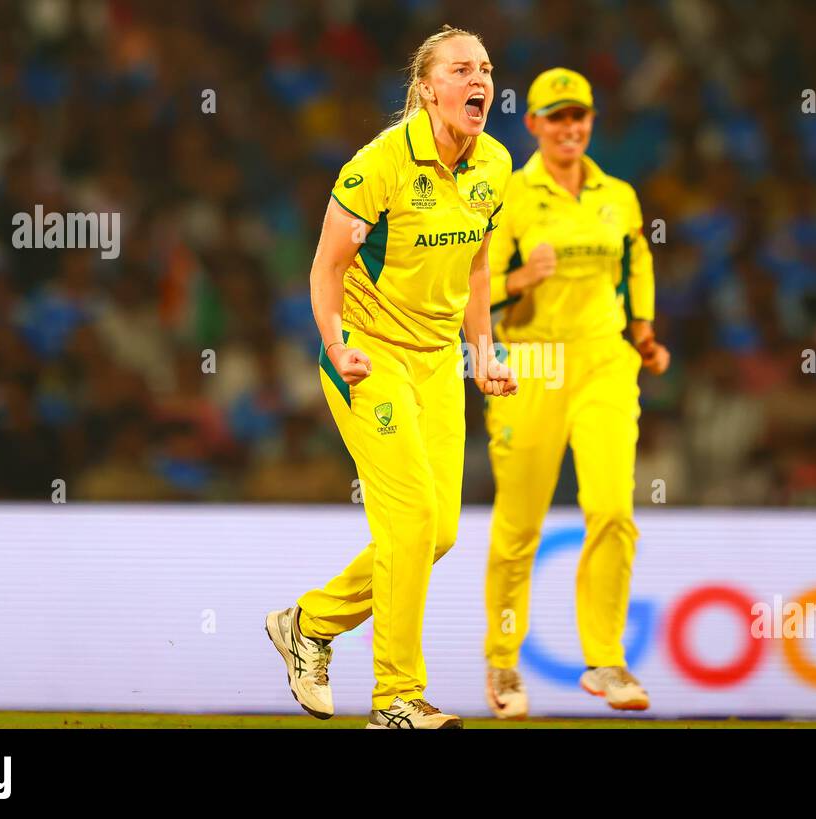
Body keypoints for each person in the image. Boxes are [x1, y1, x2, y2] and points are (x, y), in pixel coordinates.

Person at [265, 25, 516, 729]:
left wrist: (485, 352)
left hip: (438, 361)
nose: (479, 81)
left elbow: (474, 265)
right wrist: (335, 343)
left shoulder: (494, 164)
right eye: (462, 69)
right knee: (409, 520)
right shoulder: (378, 163)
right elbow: (326, 267)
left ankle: (307, 623)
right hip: (369, 357)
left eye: (487, 69)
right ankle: (397, 698)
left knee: (437, 535)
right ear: (428, 87)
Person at [482, 68, 669, 719]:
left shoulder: (618, 195)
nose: (569, 128)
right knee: (520, 525)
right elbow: (473, 287)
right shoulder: (506, 195)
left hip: (602, 363)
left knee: (613, 507)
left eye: (579, 115)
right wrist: (518, 278)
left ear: (591, 120)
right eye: (556, 117)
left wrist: (642, 330)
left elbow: (636, 261)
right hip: (530, 361)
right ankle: (503, 661)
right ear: (531, 123)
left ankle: (607, 657)